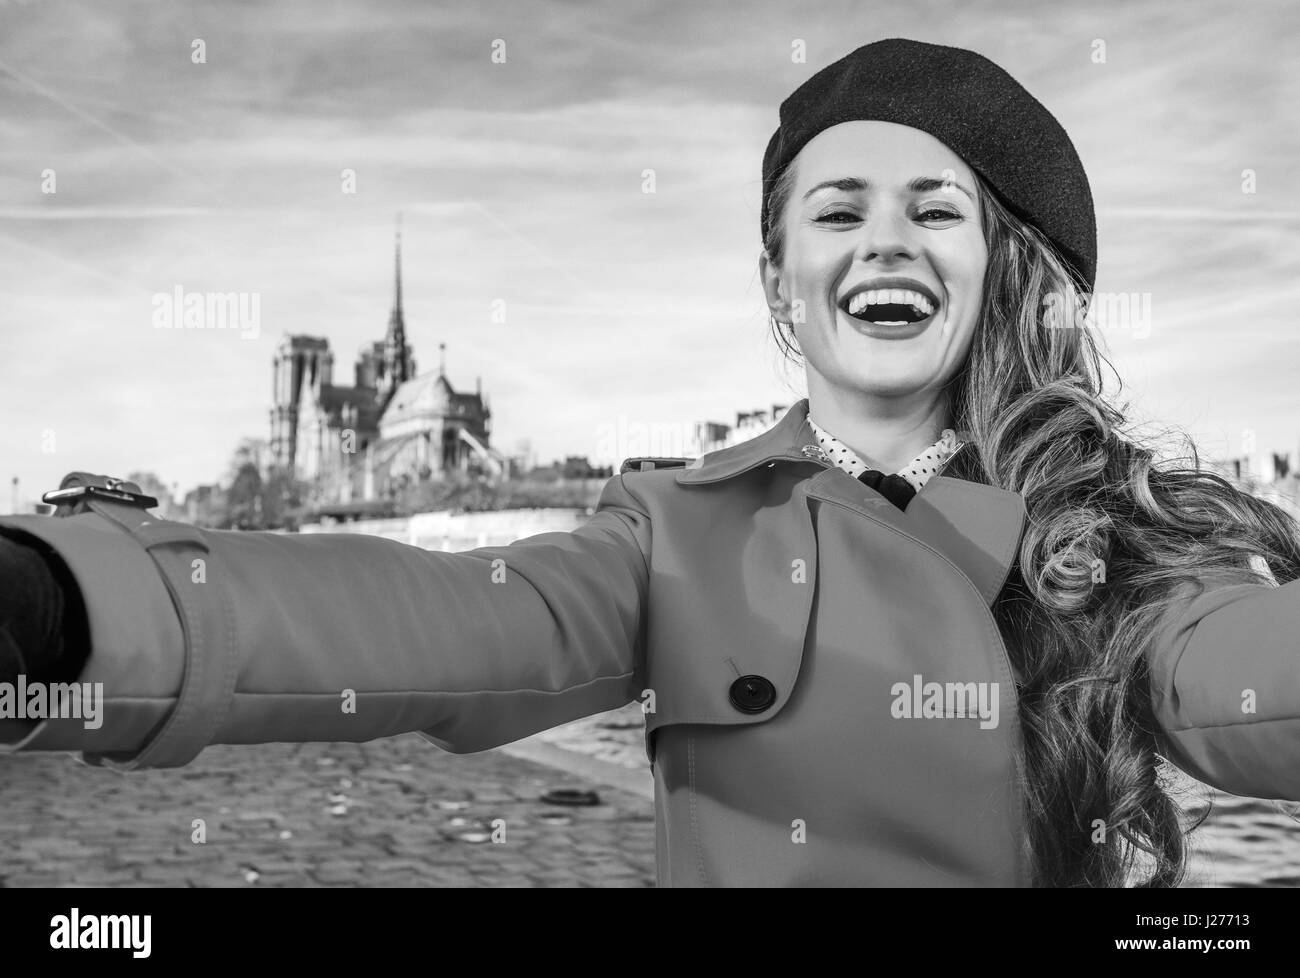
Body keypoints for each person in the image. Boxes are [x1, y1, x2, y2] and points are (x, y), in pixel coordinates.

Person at [3, 37, 1299, 888]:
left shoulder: (1108, 536)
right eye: (837, 210)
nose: (883, 242)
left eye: (936, 208)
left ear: (1000, 264)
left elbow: (1242, 675)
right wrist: (68, 611)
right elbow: (438, 622)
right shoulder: (676, 527)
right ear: (782, 279)